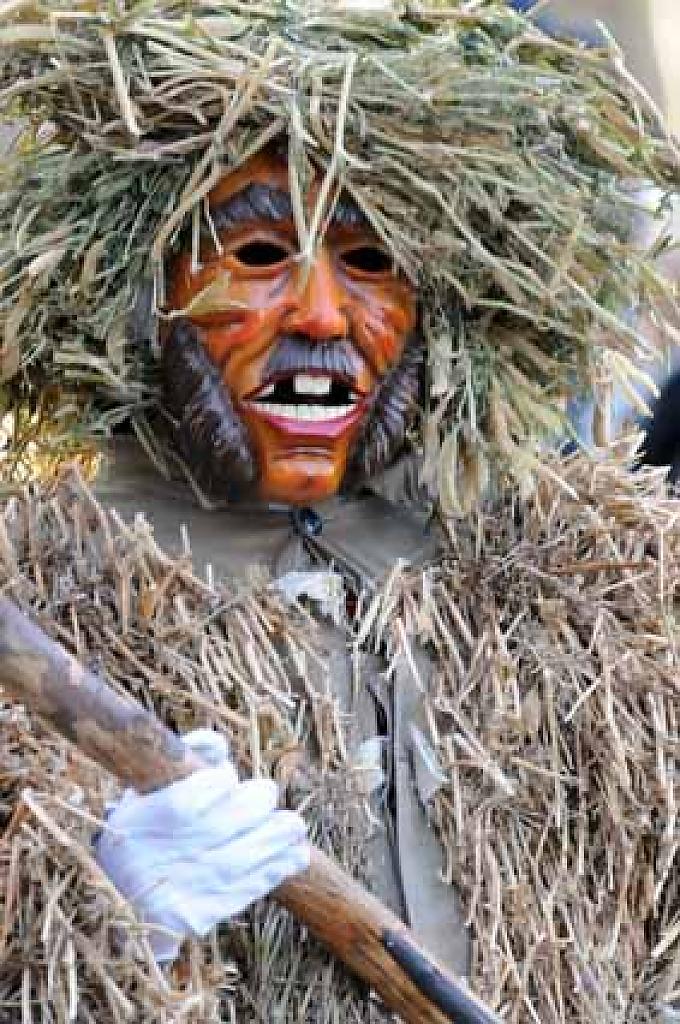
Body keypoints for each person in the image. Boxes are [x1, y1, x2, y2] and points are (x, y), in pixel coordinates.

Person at [1, 4, 680, 1023]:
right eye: (259, 253)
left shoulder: (588, 580)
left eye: (367, 263)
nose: (320, 314)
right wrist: (98, 926)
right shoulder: (42, 593)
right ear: (142, 291)